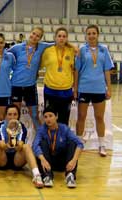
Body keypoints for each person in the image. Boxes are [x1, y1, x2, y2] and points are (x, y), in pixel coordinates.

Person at [0, 104, 44, 188]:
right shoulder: (0, 127)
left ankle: (37, 175)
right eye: (9, 114)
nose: (12, 117)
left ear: (18, 116)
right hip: (2, 159)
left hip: (17, 159)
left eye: (15, 114)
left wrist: (13, 135)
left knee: (26, 147)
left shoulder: (22, 127)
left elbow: (19, 147)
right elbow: (3, 146)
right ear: (5, 116)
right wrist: (9, 134)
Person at [75, 24, 113, 157]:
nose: (91, 36)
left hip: (99, 89)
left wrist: (109, 88)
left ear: (97, 35)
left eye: (94, 33)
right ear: (86, 35)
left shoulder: (104, 50)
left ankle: (102, 145)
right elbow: (77, 71)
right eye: (89, 33)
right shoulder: (81, 50)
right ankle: (79, 143)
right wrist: (75, 88)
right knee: (81, 116)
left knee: (99, 117)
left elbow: (107, 70)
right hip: (84, 88)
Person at [8, 27, 51, 135]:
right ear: (30, 33)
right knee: (14, 115)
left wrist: (74, 47)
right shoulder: (17, 48)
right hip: (16, 85)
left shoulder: (42, 47)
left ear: (40, 38)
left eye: (38, 36)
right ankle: (13, 138)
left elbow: (58, 43)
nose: (34, 37)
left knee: (35, 115)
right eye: (33, 34)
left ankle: (42, 139)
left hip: (30, 87)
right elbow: (4, 53)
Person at [32, 106, 83, 188]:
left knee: (72, 142)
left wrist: (74, 160)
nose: (48, 119)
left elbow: (80, 144)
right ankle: (47, 176)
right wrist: (43, 159)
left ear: (56, 116)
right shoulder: (41, 130)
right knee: (42, 143)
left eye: (50, 116)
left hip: (64, 163)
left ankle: (70, 175)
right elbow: (35, 145)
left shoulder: (64, 128)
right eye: (45, 117)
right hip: (48, 163)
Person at [40, 27, 75, 125]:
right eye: (59, 36)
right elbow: (39, 66)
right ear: (55, 38)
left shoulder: (71, 51)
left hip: (66, 91)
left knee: (64, 120)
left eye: (64, 36)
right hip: (50, 90)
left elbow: (75, 70)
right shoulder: (48, 51)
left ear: (67, 39)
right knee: (49, 120)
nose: (61, 38)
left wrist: (75, 88)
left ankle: (62, 140)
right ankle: (50, 140)